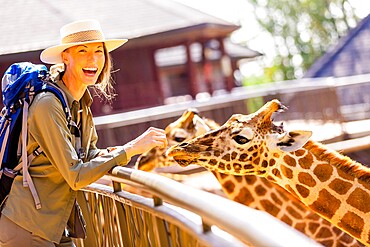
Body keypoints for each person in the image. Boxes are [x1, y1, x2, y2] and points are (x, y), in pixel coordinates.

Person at [0, 19, 167, 246]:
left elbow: (86, 155)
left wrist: (111, 153)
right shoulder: (47, 104)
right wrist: (131, 149)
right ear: (65, 57)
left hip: (55, 225)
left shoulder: (80, 103)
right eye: (83, 51)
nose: (93, 59)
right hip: (27, 227)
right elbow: (76, 176)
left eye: (99, 51)